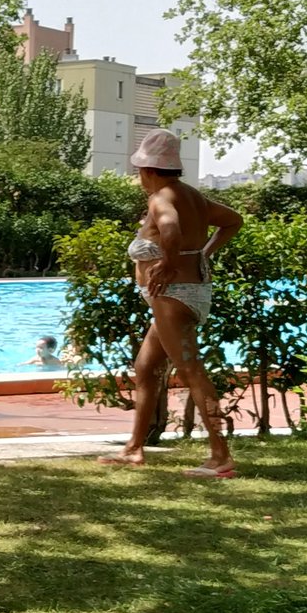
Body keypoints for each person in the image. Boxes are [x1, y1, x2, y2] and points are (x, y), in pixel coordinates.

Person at [101, 128, 243, 476]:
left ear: (147, 170)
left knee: (191, 370)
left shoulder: (162, 198)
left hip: (172, 296)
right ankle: (134, 449)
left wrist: (167, 261)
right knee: (146, 368)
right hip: (181, 294)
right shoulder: (191, 195)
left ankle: (220, 456)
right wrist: (204, 253)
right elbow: (233, 221)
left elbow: (171, 229)